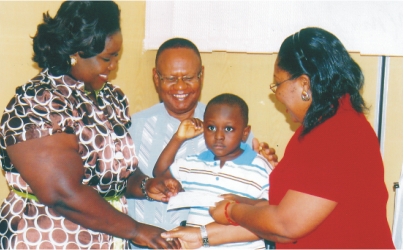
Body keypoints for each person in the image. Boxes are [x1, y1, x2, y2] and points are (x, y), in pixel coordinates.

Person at [163, 27, 395, 249]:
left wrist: (231, 211)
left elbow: (285, 225)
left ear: (304, 84)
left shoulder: (338, 134)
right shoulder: (320, 128)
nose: (277, 94)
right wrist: (208, 232)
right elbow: (284, 213)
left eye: (278, 83)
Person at [0, 1, 182, 249]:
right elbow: (62, 195)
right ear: (76, 52)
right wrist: (135, 230)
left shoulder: (110, 97)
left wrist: (145, 185)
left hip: (105, 238)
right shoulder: (38, 102)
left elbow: (113, 174)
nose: (113, 66)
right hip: (47, 237)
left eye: (116, 57)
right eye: (107, 58)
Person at [126, 37, 278, 245]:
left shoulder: (227, 123)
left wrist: (268, 162)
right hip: (147, 245)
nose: (180, 86)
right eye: (171, 78)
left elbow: (260, 201)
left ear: (202, 75)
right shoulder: (133, 127)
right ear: (156, 77)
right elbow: (120, 182)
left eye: (189, 77)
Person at [154, 93, 273, 249]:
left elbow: (272, 211)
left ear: (245, 133)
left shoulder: (259, 166)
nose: (218, 136)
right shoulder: (194, 163)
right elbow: (160, 175)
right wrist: (179, 137)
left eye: (228, 129)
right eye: (211, 128)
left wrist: (241, 202)